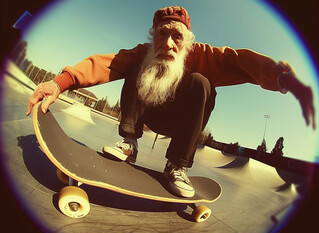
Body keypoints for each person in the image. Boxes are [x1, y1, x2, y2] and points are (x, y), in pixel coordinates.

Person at [26, 6, 315, 198]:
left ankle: (177, 166)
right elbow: (106, 64)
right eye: (162, 35)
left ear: (187, 41)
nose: (168, 44)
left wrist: (283, 78)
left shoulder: (201, 54)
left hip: (181, 123)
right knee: (135, 67)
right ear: (154, 37)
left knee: (203, 83)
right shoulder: (145, 51)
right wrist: (59, 83)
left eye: (177, 37)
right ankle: (129, 142)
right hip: (146, 113)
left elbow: (238, 60)